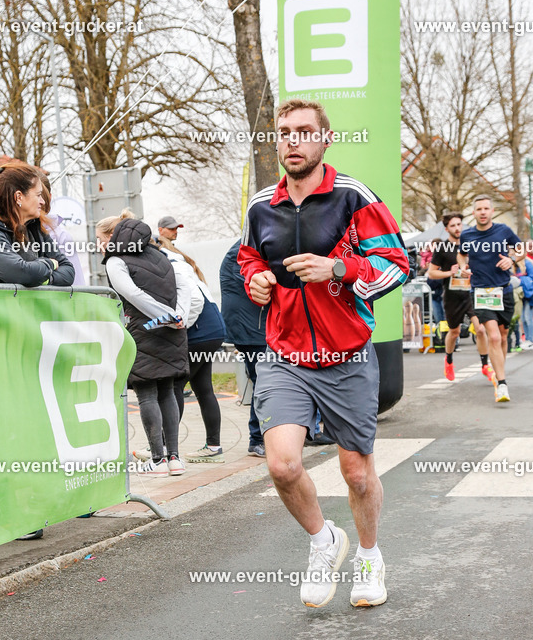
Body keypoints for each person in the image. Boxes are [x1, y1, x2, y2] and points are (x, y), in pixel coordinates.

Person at [239, 98, 409, 610]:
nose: (292, 141)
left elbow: (398, 263)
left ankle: (369, 556)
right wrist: (256, 280)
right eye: (284, 133)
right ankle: (323, 540)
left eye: (304, 131)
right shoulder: (261, 205)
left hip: (347, 355)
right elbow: (247, 257)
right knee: (282, 465)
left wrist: (338, 269)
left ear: (325, 139)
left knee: (356, 473)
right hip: (285, 355)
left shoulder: (353, 198)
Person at [96, 212, 189, 476]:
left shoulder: (116, 261)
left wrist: (165, 315)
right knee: (168, 391)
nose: (98, 245)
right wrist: (177, 316)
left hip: (143, 331)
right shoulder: (161, 255)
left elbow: (131, 293)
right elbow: (184, 285)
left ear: (114, 236)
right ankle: (174, 459)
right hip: (172, 331)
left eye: (100, 239)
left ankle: (157, 460)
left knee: (147, 394)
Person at [157, 235, 227, 463]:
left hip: (201, 331)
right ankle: (213, 447)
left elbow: (194, 301)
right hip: (212, 329)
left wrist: (181, 325)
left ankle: (164, 447)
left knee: (175, 385)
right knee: (203, 388)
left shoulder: (172, 264)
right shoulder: (181, 262)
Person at [0, 162, 75, 287]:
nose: (42, 202)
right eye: (38, 195)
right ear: (19, 197)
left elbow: (68, 271)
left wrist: (44, 279)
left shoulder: (33, 226)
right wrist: (50, 264)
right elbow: (22, 273)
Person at [457, 194, 522, 403]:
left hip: (504, 290)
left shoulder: (504, 231)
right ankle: (502, 384)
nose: (483, 212)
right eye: (479, 209)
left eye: (486, 208)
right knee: (492, 337)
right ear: (474, 213)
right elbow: (461, 254)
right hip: (481, 291)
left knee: (502, 337)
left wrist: (511, 259)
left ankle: (498, 370)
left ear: (492, 211)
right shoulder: (467, 235)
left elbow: (521, 249)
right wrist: (462, 267)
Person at [427, 212, 495, 384]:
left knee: (480, 329)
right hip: (452, 295)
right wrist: (449, 273)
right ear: (446, 229)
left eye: (459, 224)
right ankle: (449, 360)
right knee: (454, 332)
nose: (457, 228)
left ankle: (485, 365)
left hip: (472, 293)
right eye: (453, 226)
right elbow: (431, 273)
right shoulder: (442, 248)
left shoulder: (471, 244)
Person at [220, 239, 267, 457]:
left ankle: (264, 436)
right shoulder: (244, 251)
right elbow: (261, 285)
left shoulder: (250, 246)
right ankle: (257, 439)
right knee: (263, 382)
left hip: (252, 327)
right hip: (251, 330)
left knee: (264, 381)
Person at [513, 247, 533, 349]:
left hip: (531, 294)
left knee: (528, 317)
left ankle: (530, 340)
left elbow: (532, 278)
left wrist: (520, 279)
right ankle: (527, 339)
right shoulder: (515, 265)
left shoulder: (527, 263)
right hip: (522, 294)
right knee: (523, 318)